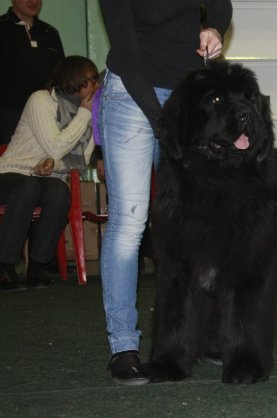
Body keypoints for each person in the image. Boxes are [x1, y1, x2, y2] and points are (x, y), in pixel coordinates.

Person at [98, 0, 232, 386]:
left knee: (199, 222)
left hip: (188, 93)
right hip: (132, 94)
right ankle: (123, 346)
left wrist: (215, 30)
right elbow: (126, 51)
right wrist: (164, 123)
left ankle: (202, 335)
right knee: (130, 221)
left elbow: (220, 4)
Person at [0, 55, 98, 291]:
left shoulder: (91, 113)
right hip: (11, 172)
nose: (96, 86)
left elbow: (80, 162)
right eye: (91, 79)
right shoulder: (41, 100)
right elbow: (55, 147)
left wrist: (53, 166)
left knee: (59, 192)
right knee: (28, 186)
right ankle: (4, 267)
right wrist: (84, 115)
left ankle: (39, 266)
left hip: (47, 178)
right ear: (73, 79)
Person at [0, 0, 65, 146]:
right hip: (7, 121)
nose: (33, 1)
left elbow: (61, 81)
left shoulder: (51, 34)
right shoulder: (2, 28)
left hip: (45, 121)